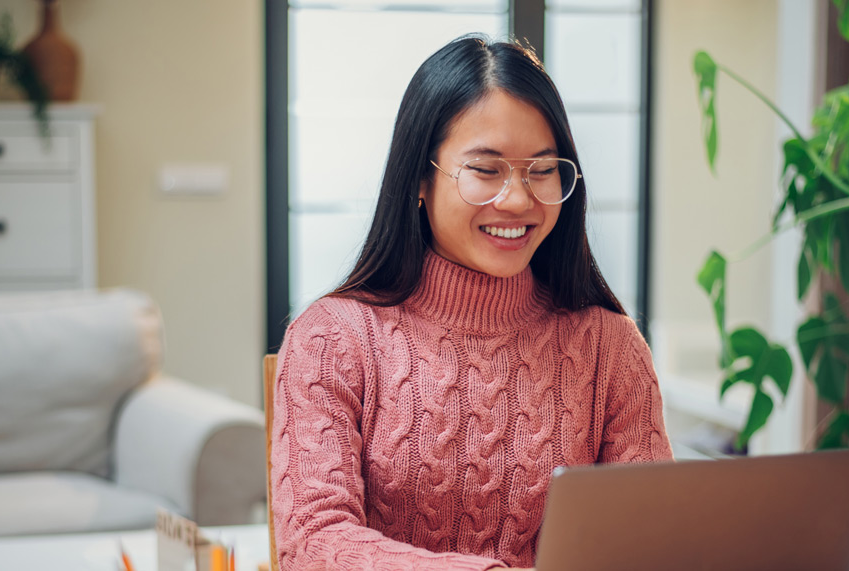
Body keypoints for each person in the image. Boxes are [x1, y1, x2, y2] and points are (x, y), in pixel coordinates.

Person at [269, 35, 673, 571]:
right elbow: (314, 541)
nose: (518, 199)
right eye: (486, 170)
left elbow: (651, 542)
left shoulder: (610, 348)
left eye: (542, 169)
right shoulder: (332, 339)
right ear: (418, 177)